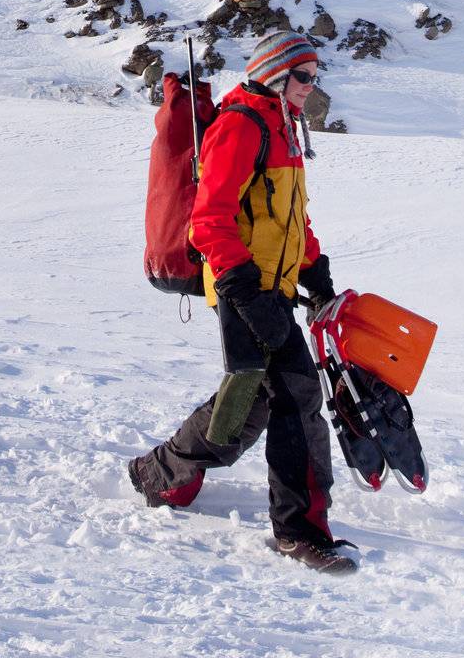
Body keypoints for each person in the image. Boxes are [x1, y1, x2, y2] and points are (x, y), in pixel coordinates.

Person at [128, 28, 358, 574]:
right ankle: (300, 532)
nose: (311, 85)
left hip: (267, 286)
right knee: (298, 396)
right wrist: (239, 288)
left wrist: (315, 270)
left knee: (253, 399)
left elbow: (289, 217)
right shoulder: (241, 125)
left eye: (314, 76)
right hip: (243, 286)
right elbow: (211, 218)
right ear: (276, 73)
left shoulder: (284, 128)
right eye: (302, 75)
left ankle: (161, 473)